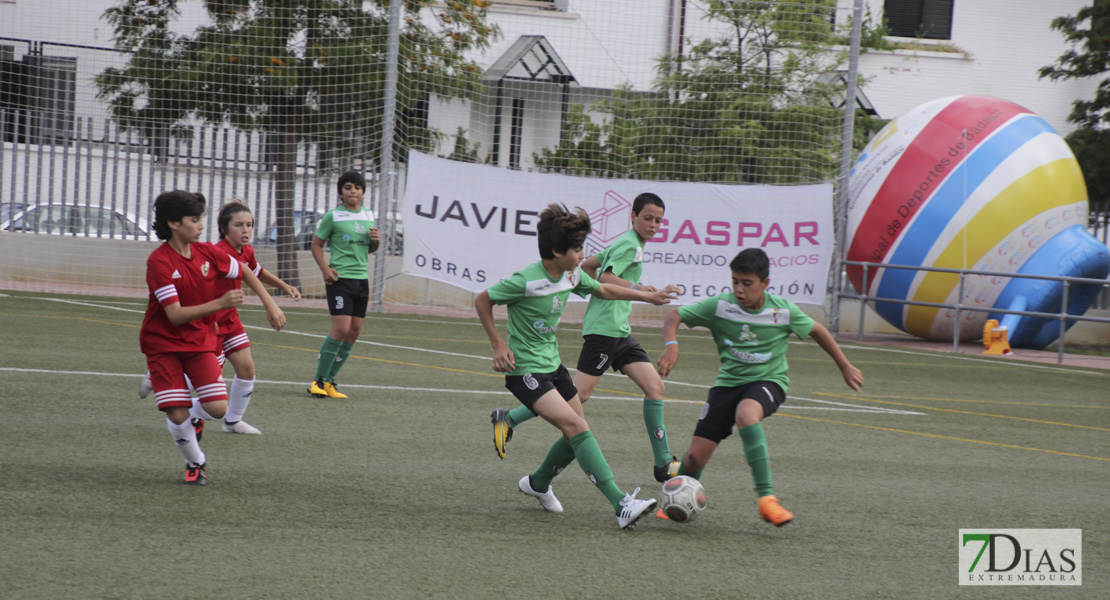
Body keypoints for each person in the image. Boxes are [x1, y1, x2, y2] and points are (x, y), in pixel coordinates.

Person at [474, 203, 676, 529]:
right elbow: (483, 299)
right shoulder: (525, 280)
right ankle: (622, 504)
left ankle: (538, 483)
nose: (583, 255)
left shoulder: (570, 273)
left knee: (574, 436)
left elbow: (604, 288)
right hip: (525, 370)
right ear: (556, 251)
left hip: (554, 367)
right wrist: (498, 345)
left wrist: (646, 297)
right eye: (578, 249)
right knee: (578, 428)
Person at [655, 248, 863, 526]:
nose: (739, 290)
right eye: (735, 282)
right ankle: (679, 497)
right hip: (727, 385)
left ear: (765, 283)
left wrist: (845, 366)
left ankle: (767, 500)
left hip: (768, 382)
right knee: (693, 458)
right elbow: (673, 316)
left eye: (747, 283)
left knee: (746, 414)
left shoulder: (782, 310)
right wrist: (672, 346)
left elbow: (818, 331)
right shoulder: (721, 306)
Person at [140, 191, 286, 485]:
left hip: (200, 341)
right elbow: (175, 315)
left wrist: (271, 302)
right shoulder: (160, 262)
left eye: (201, 219)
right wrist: (221, 303)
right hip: (164, 344)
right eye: (194, 220)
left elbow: (244, 269)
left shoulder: (207, 252)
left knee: (217, 409)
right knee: (179, 415)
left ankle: (210, 412)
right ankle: (196, 462)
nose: (200, 225)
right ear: (174, 223)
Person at [209, 200, 301, 433]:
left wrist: (284, 285)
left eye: (249, 225)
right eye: (238, 225)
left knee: (247, 369)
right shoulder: (219, 253)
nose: (246, 230)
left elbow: (256, 270)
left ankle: (232, 421)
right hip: (211, 325)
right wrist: (270, 305)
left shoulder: (246, 250)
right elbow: (246, 273)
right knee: (204, 380)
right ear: (224, 229)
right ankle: (162, 380)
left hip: (230, 321)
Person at [307, 171, 380, 399]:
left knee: (354, 332)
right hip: (340, 279)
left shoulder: (369, 215)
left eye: (357, 187)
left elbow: (368, 249)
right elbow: (316, 245)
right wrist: (325, 269)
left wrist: (375, 242)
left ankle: (330, 382)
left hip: (361, 280)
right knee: (340, 330)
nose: (353, 191)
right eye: (348, 187)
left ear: (363, 192)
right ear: (341, 192)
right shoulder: (333, 216)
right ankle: (317, 381)